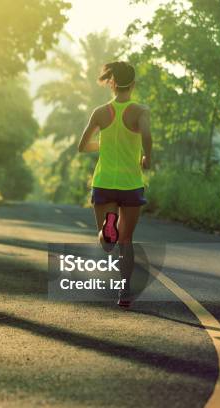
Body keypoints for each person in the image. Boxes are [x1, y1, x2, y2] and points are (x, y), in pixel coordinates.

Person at [77, 61, 152, 308]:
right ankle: (125, 292)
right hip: (131, 184)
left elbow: (82, 146)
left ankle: (107, 230)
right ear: (132, 84)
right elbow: (147, 136)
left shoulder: (100, 112)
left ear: (111, 83)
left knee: (108, 244)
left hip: (105, 182)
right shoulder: (140, 111)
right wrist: (147, 158)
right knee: (126, 241)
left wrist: (104, 143)